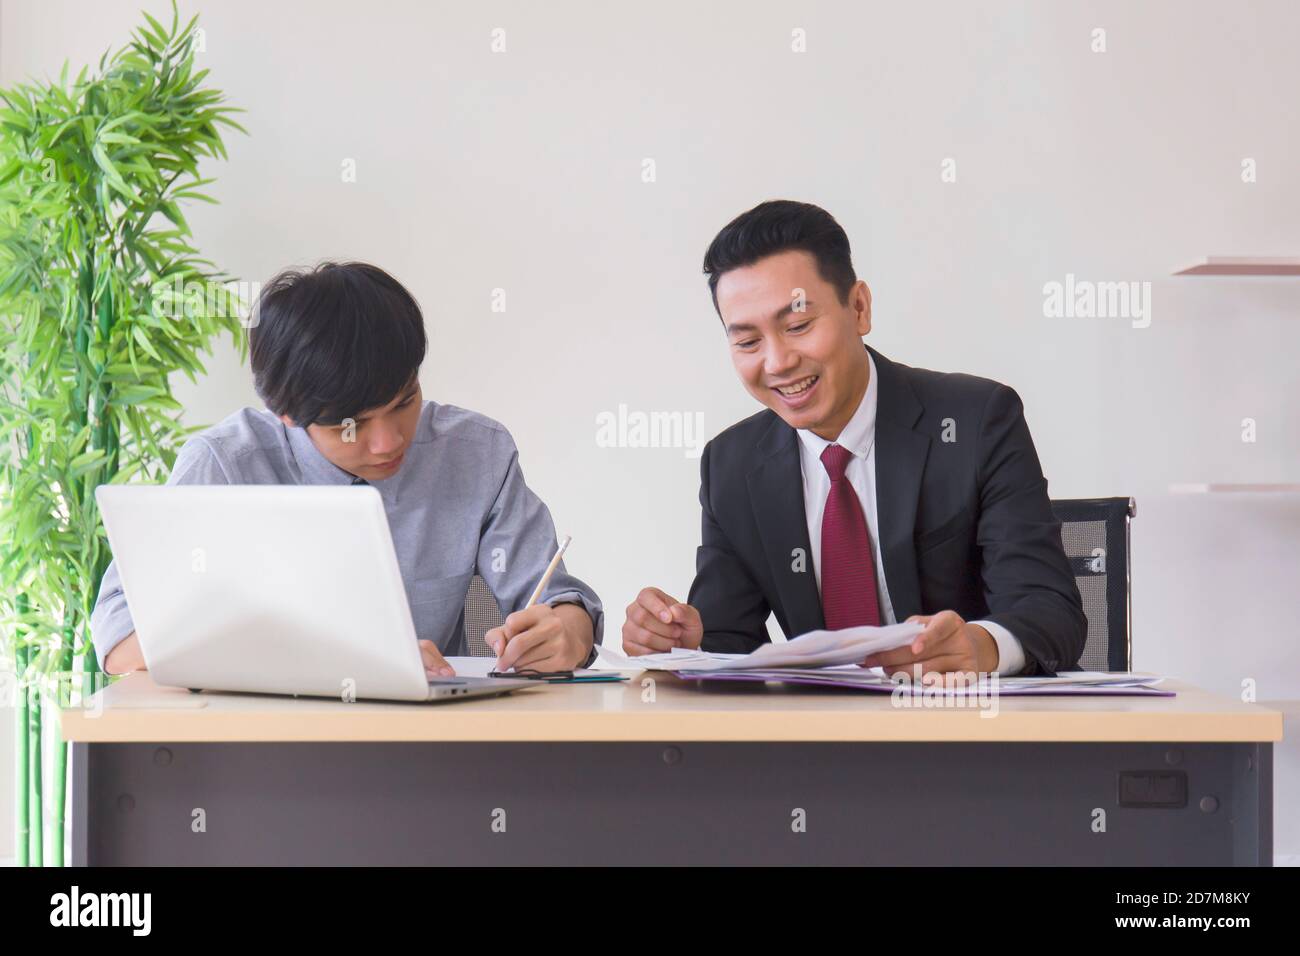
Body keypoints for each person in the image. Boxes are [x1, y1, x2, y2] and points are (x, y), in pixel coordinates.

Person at [622, 201, 1084, 677]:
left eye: (798, 325)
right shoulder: (731, 465)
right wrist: (683, 639)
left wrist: (981, 646)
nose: (777, 362)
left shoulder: (975, 421)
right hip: (818, 743)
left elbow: (1049, 609)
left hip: (961, 730)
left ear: (859, 308)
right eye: (747, 342)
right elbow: (729, 638)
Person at [91, 262, 601, 677]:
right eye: (351, 425)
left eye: (404, 402)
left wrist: (568, 634)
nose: (389, 441)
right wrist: (326, 660)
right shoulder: (225, 466)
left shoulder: (475, 454)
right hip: (261, 754)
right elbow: (121, 641)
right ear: (286, 414)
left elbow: (554, 596)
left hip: (430, 753)